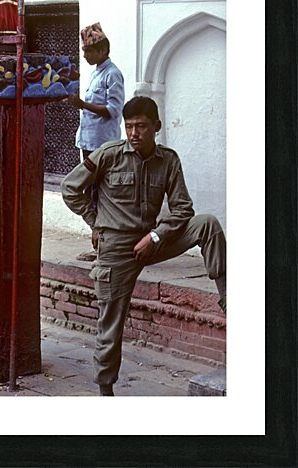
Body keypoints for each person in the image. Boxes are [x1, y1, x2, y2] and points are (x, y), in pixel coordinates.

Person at [61, 95, 226, 397]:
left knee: (208, 224)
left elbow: (182, 209)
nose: (134, 133)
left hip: (152, 240)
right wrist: (95, 222)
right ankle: (105, 390)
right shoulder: (108, 154)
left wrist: (157, 237)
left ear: (157, 127)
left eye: (142, 126)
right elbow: (70, 188)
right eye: (130, 126)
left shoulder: (169, 160)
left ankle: (229, 298)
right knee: (110, 324)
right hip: (116, 248)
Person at [67, 22, 125, 260]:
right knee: (91, 193)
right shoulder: (97, 73)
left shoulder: (112, 74)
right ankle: (99, 241)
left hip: (103, 144)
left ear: (102, 50)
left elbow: (113, 109)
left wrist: (82, 105)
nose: (85, 55)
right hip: (89, 142)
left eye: (88, 51)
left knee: (101, 194)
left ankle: (104, 247)